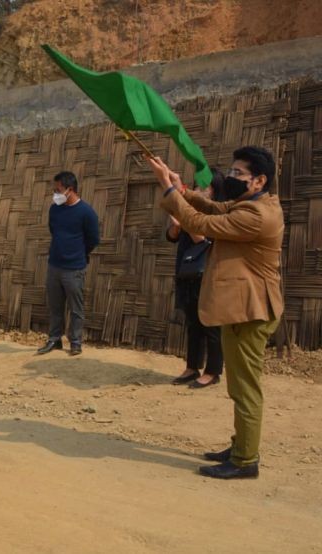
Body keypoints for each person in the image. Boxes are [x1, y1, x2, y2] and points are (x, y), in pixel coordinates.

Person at [148, 146, 284, 480]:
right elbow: (214, 207)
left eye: (239, 173)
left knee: (244, 388)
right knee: (240, 385)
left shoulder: (256, 215)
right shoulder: (253, 204)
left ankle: (245, 460)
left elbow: (200, 223)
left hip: (251, 310)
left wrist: (166, 188)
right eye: (232, 171)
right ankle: (241, 446)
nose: (232, 177)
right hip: (245, 307)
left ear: (259, 180)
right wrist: (180, 187)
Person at [167, 170, 225, 388]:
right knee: (193, 322)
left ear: (216, 190)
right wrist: (176, 226)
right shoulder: (189, 209)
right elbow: (172, 237)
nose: (200, 190)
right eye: (197, 186)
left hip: (208, 273)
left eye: (205, 187)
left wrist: (185, 219)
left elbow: (202, 240)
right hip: (188, 272)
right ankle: (192, 367)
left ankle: (213, 371)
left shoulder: (217, 213)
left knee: (211, 323)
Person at [37, 171, 100, 356]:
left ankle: (75, 342)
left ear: (70, 190)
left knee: (76, 308)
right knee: (55, 307)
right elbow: (53, 230)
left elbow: (93, 239)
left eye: (58, 190)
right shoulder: (55, 209)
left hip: (74, 269)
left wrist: (78, 253)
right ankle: (54, 339)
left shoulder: (86, 212)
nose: (55, 194)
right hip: (54, 265)